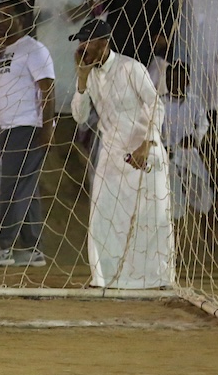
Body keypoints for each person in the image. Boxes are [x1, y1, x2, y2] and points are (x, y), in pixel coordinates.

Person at [70, 17, 172, 288]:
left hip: (144, 151)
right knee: (102, 215)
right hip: (112, 154)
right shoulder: (89, 75)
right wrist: (81, 79)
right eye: (81, 42)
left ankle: (157, 278)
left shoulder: (131, 68)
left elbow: (156, 105)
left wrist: (148, 143)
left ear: (104, 43)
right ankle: (103, 278)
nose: (82, 47)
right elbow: (80, 117)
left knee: (151, 217)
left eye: (87, 41)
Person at [0, 7, 55, 267]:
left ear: (22, 20)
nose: (1, 21)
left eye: (7, 16)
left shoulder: (34, 49)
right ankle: (33, 249)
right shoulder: (6, 51)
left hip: (27, 127)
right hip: (8, 128)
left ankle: (3, 247)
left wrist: (47, 128)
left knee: (13, 187)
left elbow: (47, 88)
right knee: (26, 189)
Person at [162, 62, 213, 220]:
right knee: (172, 192)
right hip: (165, 156)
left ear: (187, 81)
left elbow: (203, 124)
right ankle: (177, 219)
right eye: (170, 79)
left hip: (188, 154)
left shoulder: (195, 102)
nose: (173, 84)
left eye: (178, 80)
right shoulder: (159, 102)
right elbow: (152, 130)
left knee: (204, 196)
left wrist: (195, 137)